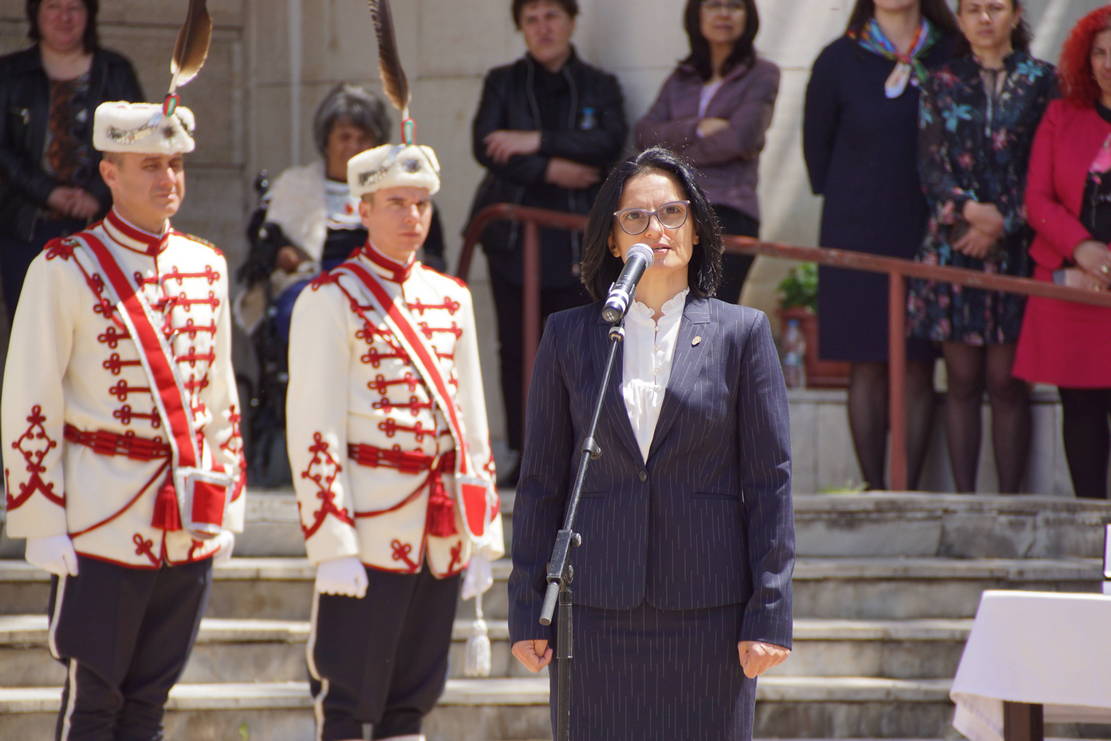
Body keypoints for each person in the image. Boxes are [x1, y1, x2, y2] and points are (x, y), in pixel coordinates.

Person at [508, 147, 794, 740]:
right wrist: (524, 608)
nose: (656, 229)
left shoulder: (742, 335)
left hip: (709, 611)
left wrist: (769, 611)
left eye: (671, 213)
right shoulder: (571, 336)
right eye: (634, 218)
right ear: (613, 241)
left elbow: (770, 484)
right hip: (593, 610)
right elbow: (541, 481)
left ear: (695, 229)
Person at [0, 98, 245, 739]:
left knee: (151, 703)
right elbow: (30, 398)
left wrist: (230, 504)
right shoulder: (63, 267)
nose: (169, 180)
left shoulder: (208, 267)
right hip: (100, 514)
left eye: (175, 165)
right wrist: (39, 517)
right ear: (109, 173)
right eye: (150, 166)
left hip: (190, 515)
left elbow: (221, 399)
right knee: (96, 699)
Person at [286, 141, 504, 741]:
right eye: (396, 204)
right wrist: (332, 542)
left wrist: (481, 535)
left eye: (422, 204)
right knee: (348, 700)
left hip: (439, 530)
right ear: (362, 210)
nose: (413, 217)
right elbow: (315, 428)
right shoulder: (329, 299)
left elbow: (472, 426)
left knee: (413, 701)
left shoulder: (452, 298)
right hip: (369, 526)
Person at [468, 0, 627, 485]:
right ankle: (523, 452)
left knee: (580, 348)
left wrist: (533, 141)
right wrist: (552, 168)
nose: (543, 28)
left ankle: (582, 456)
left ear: (572, 21)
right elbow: (487, 146)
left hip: (578, 243)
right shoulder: (503, 81)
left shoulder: (600, 85)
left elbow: (608, 143)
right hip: (513, 241)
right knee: (517, 349)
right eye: (531, 19)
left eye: (552, 16)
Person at [803, 0, 959, 490]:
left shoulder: (953, 52)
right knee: (866, 360)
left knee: (917, 360)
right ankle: (875, 490)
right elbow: (816, 157)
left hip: (929, 229)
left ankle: (907, 491)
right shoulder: (838, 59)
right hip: (856, 229)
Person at [906, 0, 1055, 493]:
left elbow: (1047, 163)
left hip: (1017, 247)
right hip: (954, 245)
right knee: (964, 378)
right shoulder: (940, 80)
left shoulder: (1043, 81)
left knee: (1007, 380)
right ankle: (965, 502)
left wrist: (1004, 221)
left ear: (1015, 15)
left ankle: (1010, 505)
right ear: (961, 19)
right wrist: (970, 213)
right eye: (972, 8)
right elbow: (930, 166)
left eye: (996, 7)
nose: (984, 18)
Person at [1014, 5, 1111, 500]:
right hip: (1076, 286)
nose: (1108, 63)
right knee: (1083, 410)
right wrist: (1083, 249)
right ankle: (1092, 527)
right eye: (1099, 52)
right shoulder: (1061, 114)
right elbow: (1037, 199)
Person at [0, 0, 143, 320]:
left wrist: (96, 193)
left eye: (74, 7)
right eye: (53, 6)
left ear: (89, 14)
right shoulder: (9, 73)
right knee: (33, 329)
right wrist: (48, 192)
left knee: (100, 329)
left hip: (102, 227)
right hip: (26, 228)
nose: (64, 17)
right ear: (36, 13)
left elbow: (135, 140)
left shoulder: (115, 71)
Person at [635, 0, 779, 303]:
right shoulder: (681, 77)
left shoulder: (762, 74)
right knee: (670, 314)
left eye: (734, 6)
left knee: (713, 319)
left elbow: (741, 139)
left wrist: (672, 154)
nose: (724, 14)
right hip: (674, 210)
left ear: (748, 16)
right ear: (697, 15)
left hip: (729, 210)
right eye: (714, 5)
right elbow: (644, 135)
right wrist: (697, 128)